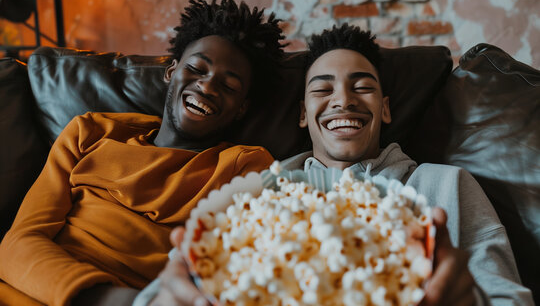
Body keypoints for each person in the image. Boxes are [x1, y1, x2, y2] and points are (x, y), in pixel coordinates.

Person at [140, 24, 534, 306]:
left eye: (362, 87)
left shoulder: (446, 186)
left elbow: (508, 296)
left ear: (385, 108)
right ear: (302, 114)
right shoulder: (258, 191)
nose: (342, 101)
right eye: (322, 89)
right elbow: (162, 293)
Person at [0, 0, 284, 306]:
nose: (208, 86)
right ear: (171, 72)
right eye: (198, 68)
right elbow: (17, 243)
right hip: (31, 289)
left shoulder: (244, 166)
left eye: (229, 86)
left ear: (242, 109)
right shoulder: (91, 132)